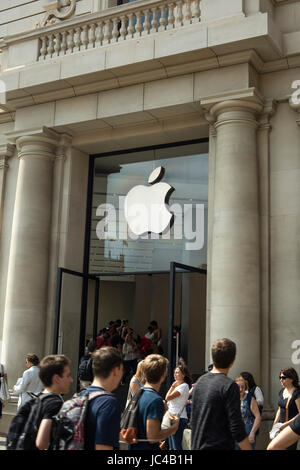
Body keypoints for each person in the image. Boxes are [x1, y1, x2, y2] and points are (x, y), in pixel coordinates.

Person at [191, 338, 252, 450]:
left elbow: (194, 420)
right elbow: (236, 427)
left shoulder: (200, 382)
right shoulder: (229, 386)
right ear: (233, 361)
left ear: (212, 357)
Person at [129, 354, 179, 451]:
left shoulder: (139, 393)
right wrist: (174, 427)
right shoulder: (155, 400)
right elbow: (152, 437)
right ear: (164, 374)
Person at [84, 346, 123, 450]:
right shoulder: (108, 403)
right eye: (122, 370)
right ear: (115, 371)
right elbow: (103, 447)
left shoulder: (81, 395)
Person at [35, 355, 73, 450]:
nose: (71, 380)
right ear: (57, 378)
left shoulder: (38, 399)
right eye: (68, 375)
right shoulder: (55, 404)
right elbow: (41, 443)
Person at [164, 360, 192, 450]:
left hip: (178, 419)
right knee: (172, 446)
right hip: (172, 417)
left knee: (176, 446)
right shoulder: (178, 386)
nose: (175, 374)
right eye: (174, 372)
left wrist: (172, 386)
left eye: (177, 372)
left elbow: (167, 397)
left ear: (183, 375)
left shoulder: (183, 386)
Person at [271, 367, 300, 450]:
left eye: (283, 378)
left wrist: (285, 425)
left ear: (291, 379)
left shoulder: (297, 393)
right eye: (280, 378)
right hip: (280, 426)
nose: (281, 380)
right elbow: (280, 409)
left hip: (292, 427)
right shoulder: (281, 391)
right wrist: (275, 424)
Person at [235, 376, 261, 449]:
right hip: (235, 432)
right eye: (238, 387)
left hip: (248, 431)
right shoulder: (232, 399)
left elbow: (258, 417)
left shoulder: (250, 399)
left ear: (245, 388)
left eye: (242, 387)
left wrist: (252, 433)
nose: (240, 389)